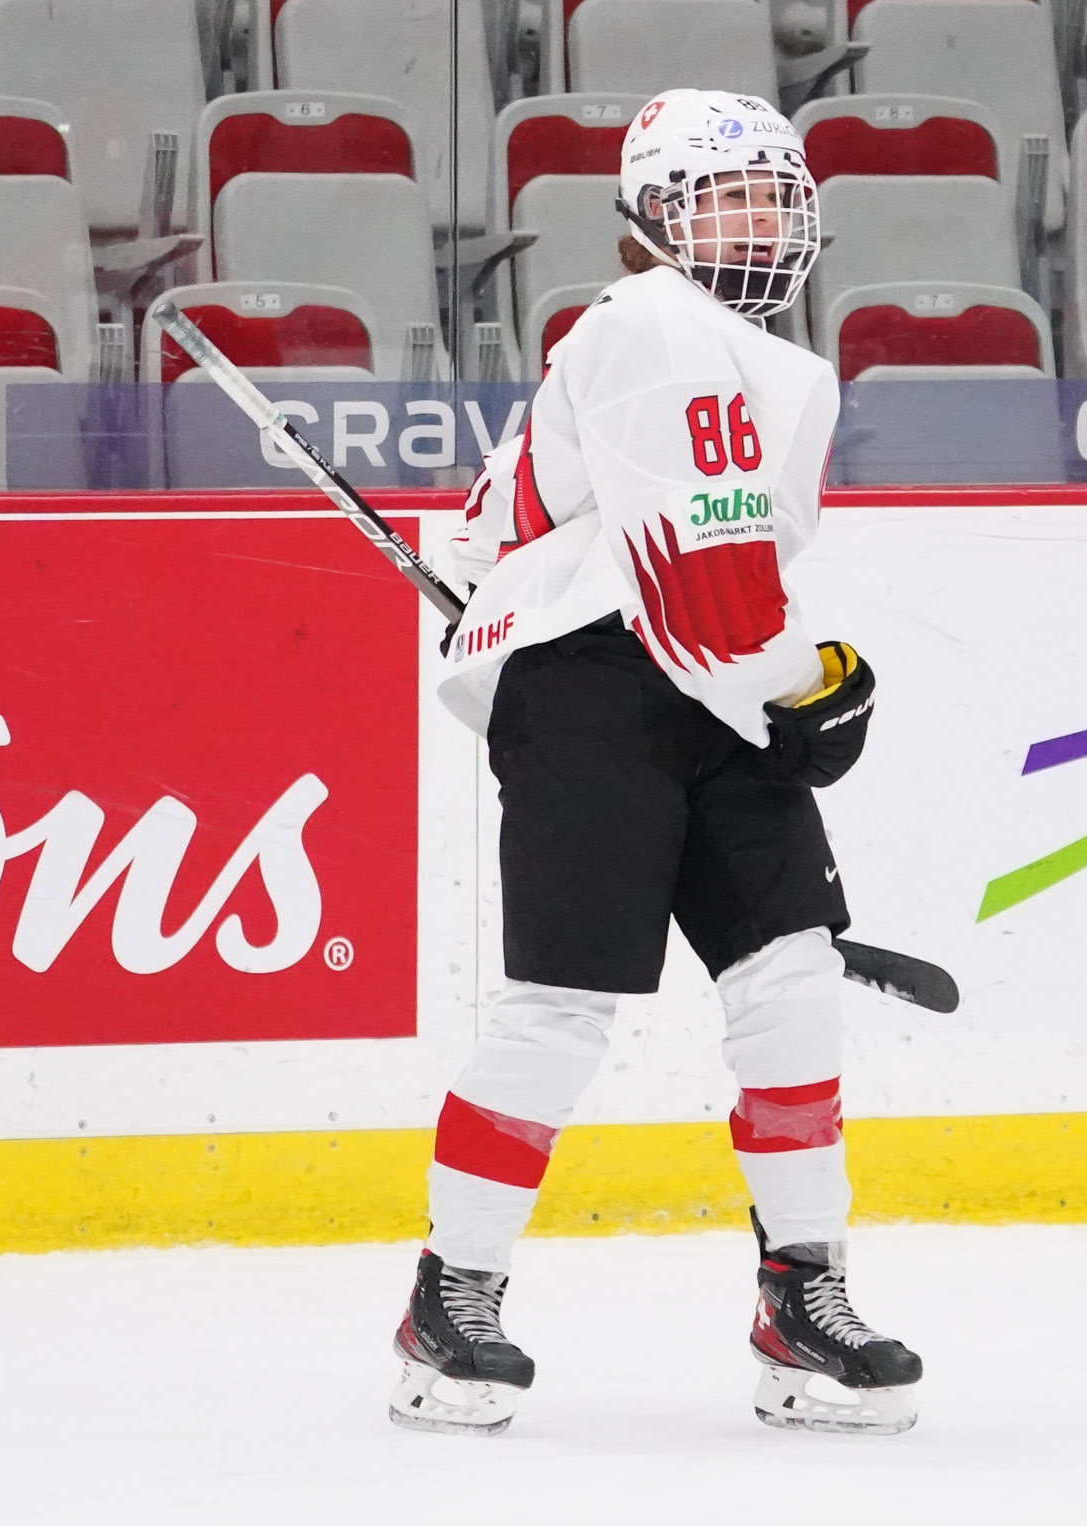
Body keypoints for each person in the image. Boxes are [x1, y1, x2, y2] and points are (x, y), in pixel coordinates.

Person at [391, 88, 922, 1437]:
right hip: (598, 691)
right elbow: (701, 583)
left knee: (789, 981)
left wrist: (473, 571)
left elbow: (501, 524)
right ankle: (451, 1300)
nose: (755, 226)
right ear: (650, 219)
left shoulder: (745, 355)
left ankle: (803, 1299)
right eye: (722, 199)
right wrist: (803, 687)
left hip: (701, 685)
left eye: (773, 201)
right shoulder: (649, 325)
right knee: (560, 1006)